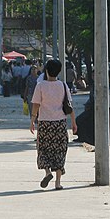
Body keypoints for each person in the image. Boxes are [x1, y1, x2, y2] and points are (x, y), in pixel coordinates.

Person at [30, 59, 77, 190]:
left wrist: (32, 120)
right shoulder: (63, 85)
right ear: (59, 71)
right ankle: (57, 182)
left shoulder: (40, 85)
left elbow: (36, 105)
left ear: (46, 70)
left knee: (43, 149)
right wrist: (73, 122)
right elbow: (69, 105)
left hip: (45, 123)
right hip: (60, 123)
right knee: (60, 151)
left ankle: (47, 172)